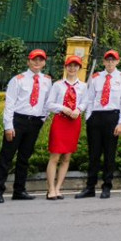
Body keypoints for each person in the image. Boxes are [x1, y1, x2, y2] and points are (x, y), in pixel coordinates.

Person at [0, 48, 52, 204]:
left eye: (40, 60)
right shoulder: (17, 80)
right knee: (6, 157)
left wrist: (42, 119)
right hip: (18, 121)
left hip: (35, 122)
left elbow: (47, 102)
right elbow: (9, 104)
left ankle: (19, 190)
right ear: (28, 61)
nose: (37, 62)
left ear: (44, 62)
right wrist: (8, 126)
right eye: (34, 59)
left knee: (24, 157)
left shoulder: (47, 80)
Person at [75, 49, 121, 199]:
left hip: (112, 117)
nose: (110, 62)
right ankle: (90, 187)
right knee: (93, 154)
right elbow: (90, 99)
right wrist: (89, 117)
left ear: (118, 62)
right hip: (96, 118)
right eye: (108, 60)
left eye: (113, 60)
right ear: (104, 62)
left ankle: (107, 186)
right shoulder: (96, 77)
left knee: (109, 154)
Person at [44, 55, 87, 200]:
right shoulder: (57, 85)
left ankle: (58, 188)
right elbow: (49, 104)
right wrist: (63, 108)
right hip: (60, 121)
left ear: (79, 68)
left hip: (74, 122)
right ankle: (50, 189)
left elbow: (85, 102)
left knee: (67, 156)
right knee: (55, 155)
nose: (72, 68)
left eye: (75, 66)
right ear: (66, 67)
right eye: (70, 65)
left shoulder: (83, 86)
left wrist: (78, 109)